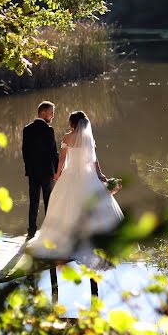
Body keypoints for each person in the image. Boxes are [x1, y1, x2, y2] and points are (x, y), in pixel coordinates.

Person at [25, 111, 123, 263]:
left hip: (70, 175)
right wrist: (100, 174)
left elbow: (62, 161)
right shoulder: (88, 139)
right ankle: (96, 238)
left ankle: (67, 238)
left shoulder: (67, 137)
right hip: (88, 175)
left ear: (72, 123)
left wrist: (57, 174)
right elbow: (94, 160)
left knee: (64, 204)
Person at [22, 101, 59, 239]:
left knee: (34, 201)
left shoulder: (27, 129)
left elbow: (24, 152)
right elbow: (53, 153)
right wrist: (57, 171)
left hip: (32, 172)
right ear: (43, 112)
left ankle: (31, 230)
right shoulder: (48, 130)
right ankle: (49, 231)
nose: (53, 116)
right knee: (49, 201)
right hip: (47, 172)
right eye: (51, 112)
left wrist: (29, 168)